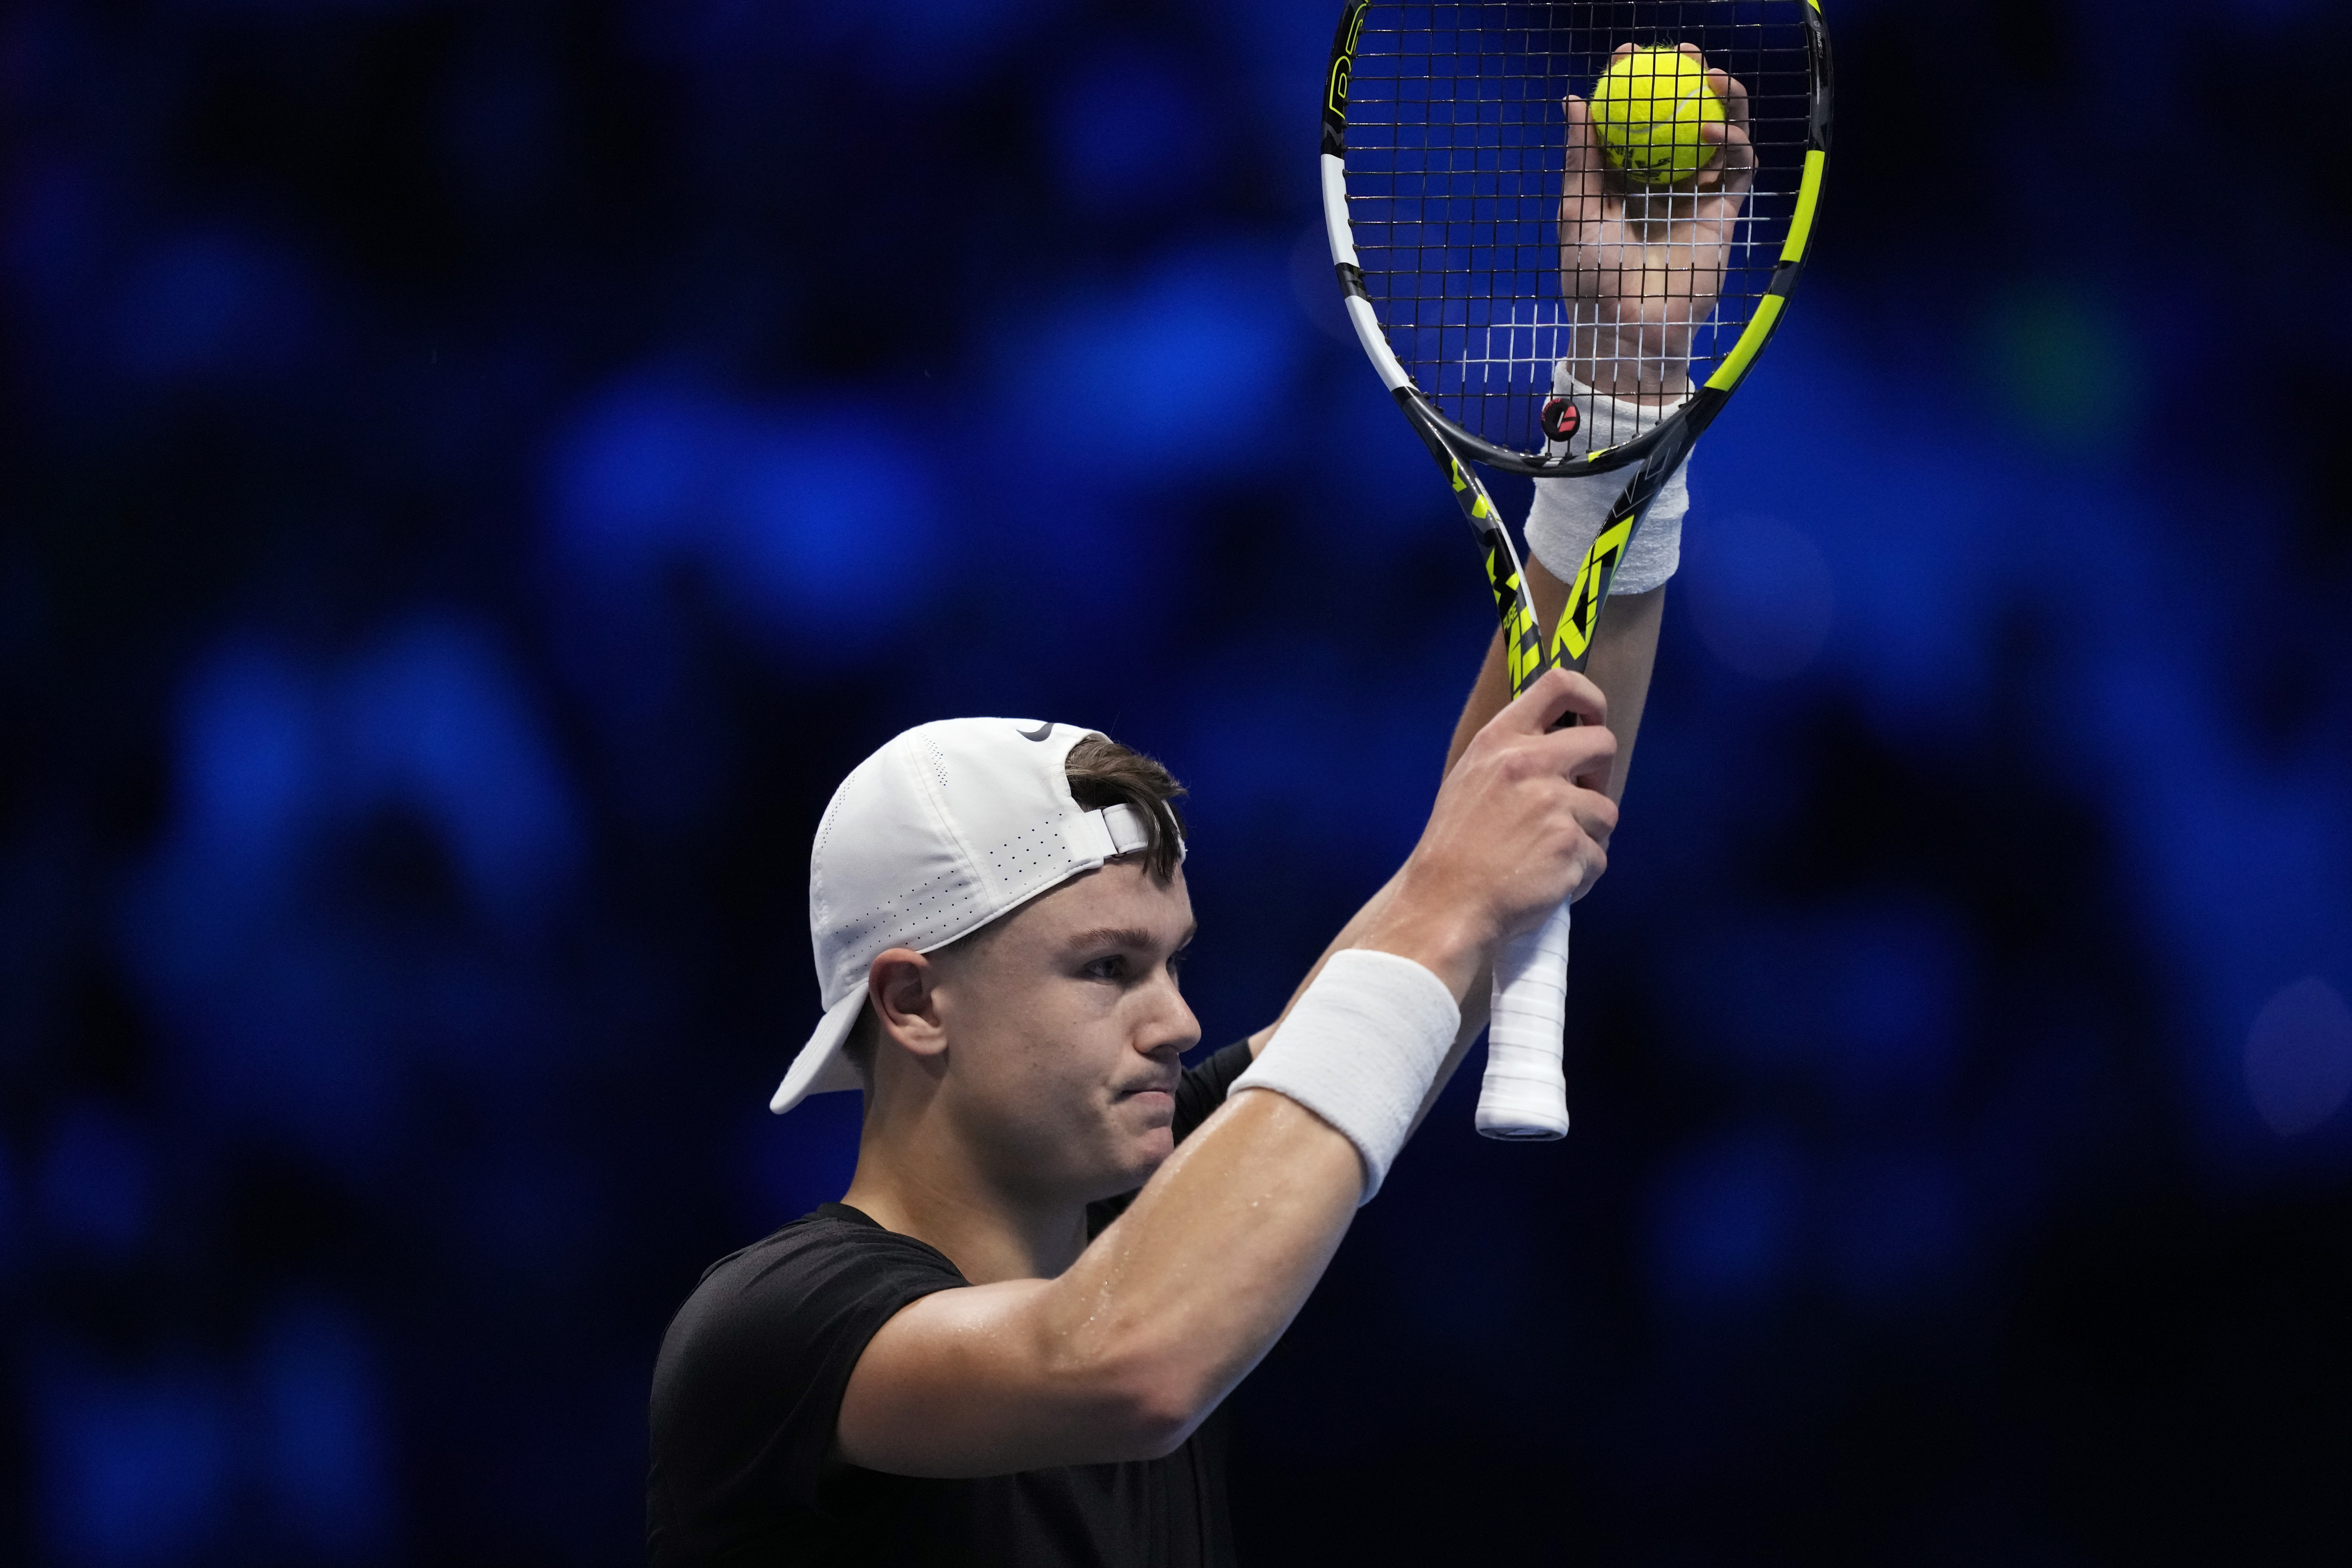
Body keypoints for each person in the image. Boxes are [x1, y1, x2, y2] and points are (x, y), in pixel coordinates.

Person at [645, 53, 1751, 1567]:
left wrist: (1626, 394)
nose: (1176, 1019)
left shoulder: (1178, 1212)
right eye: (1104, 969)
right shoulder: (775, 1331)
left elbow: (1531, 803)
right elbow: (1128, 1365)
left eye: (1168, 960)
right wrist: (1442, 896)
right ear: (913, 1003)